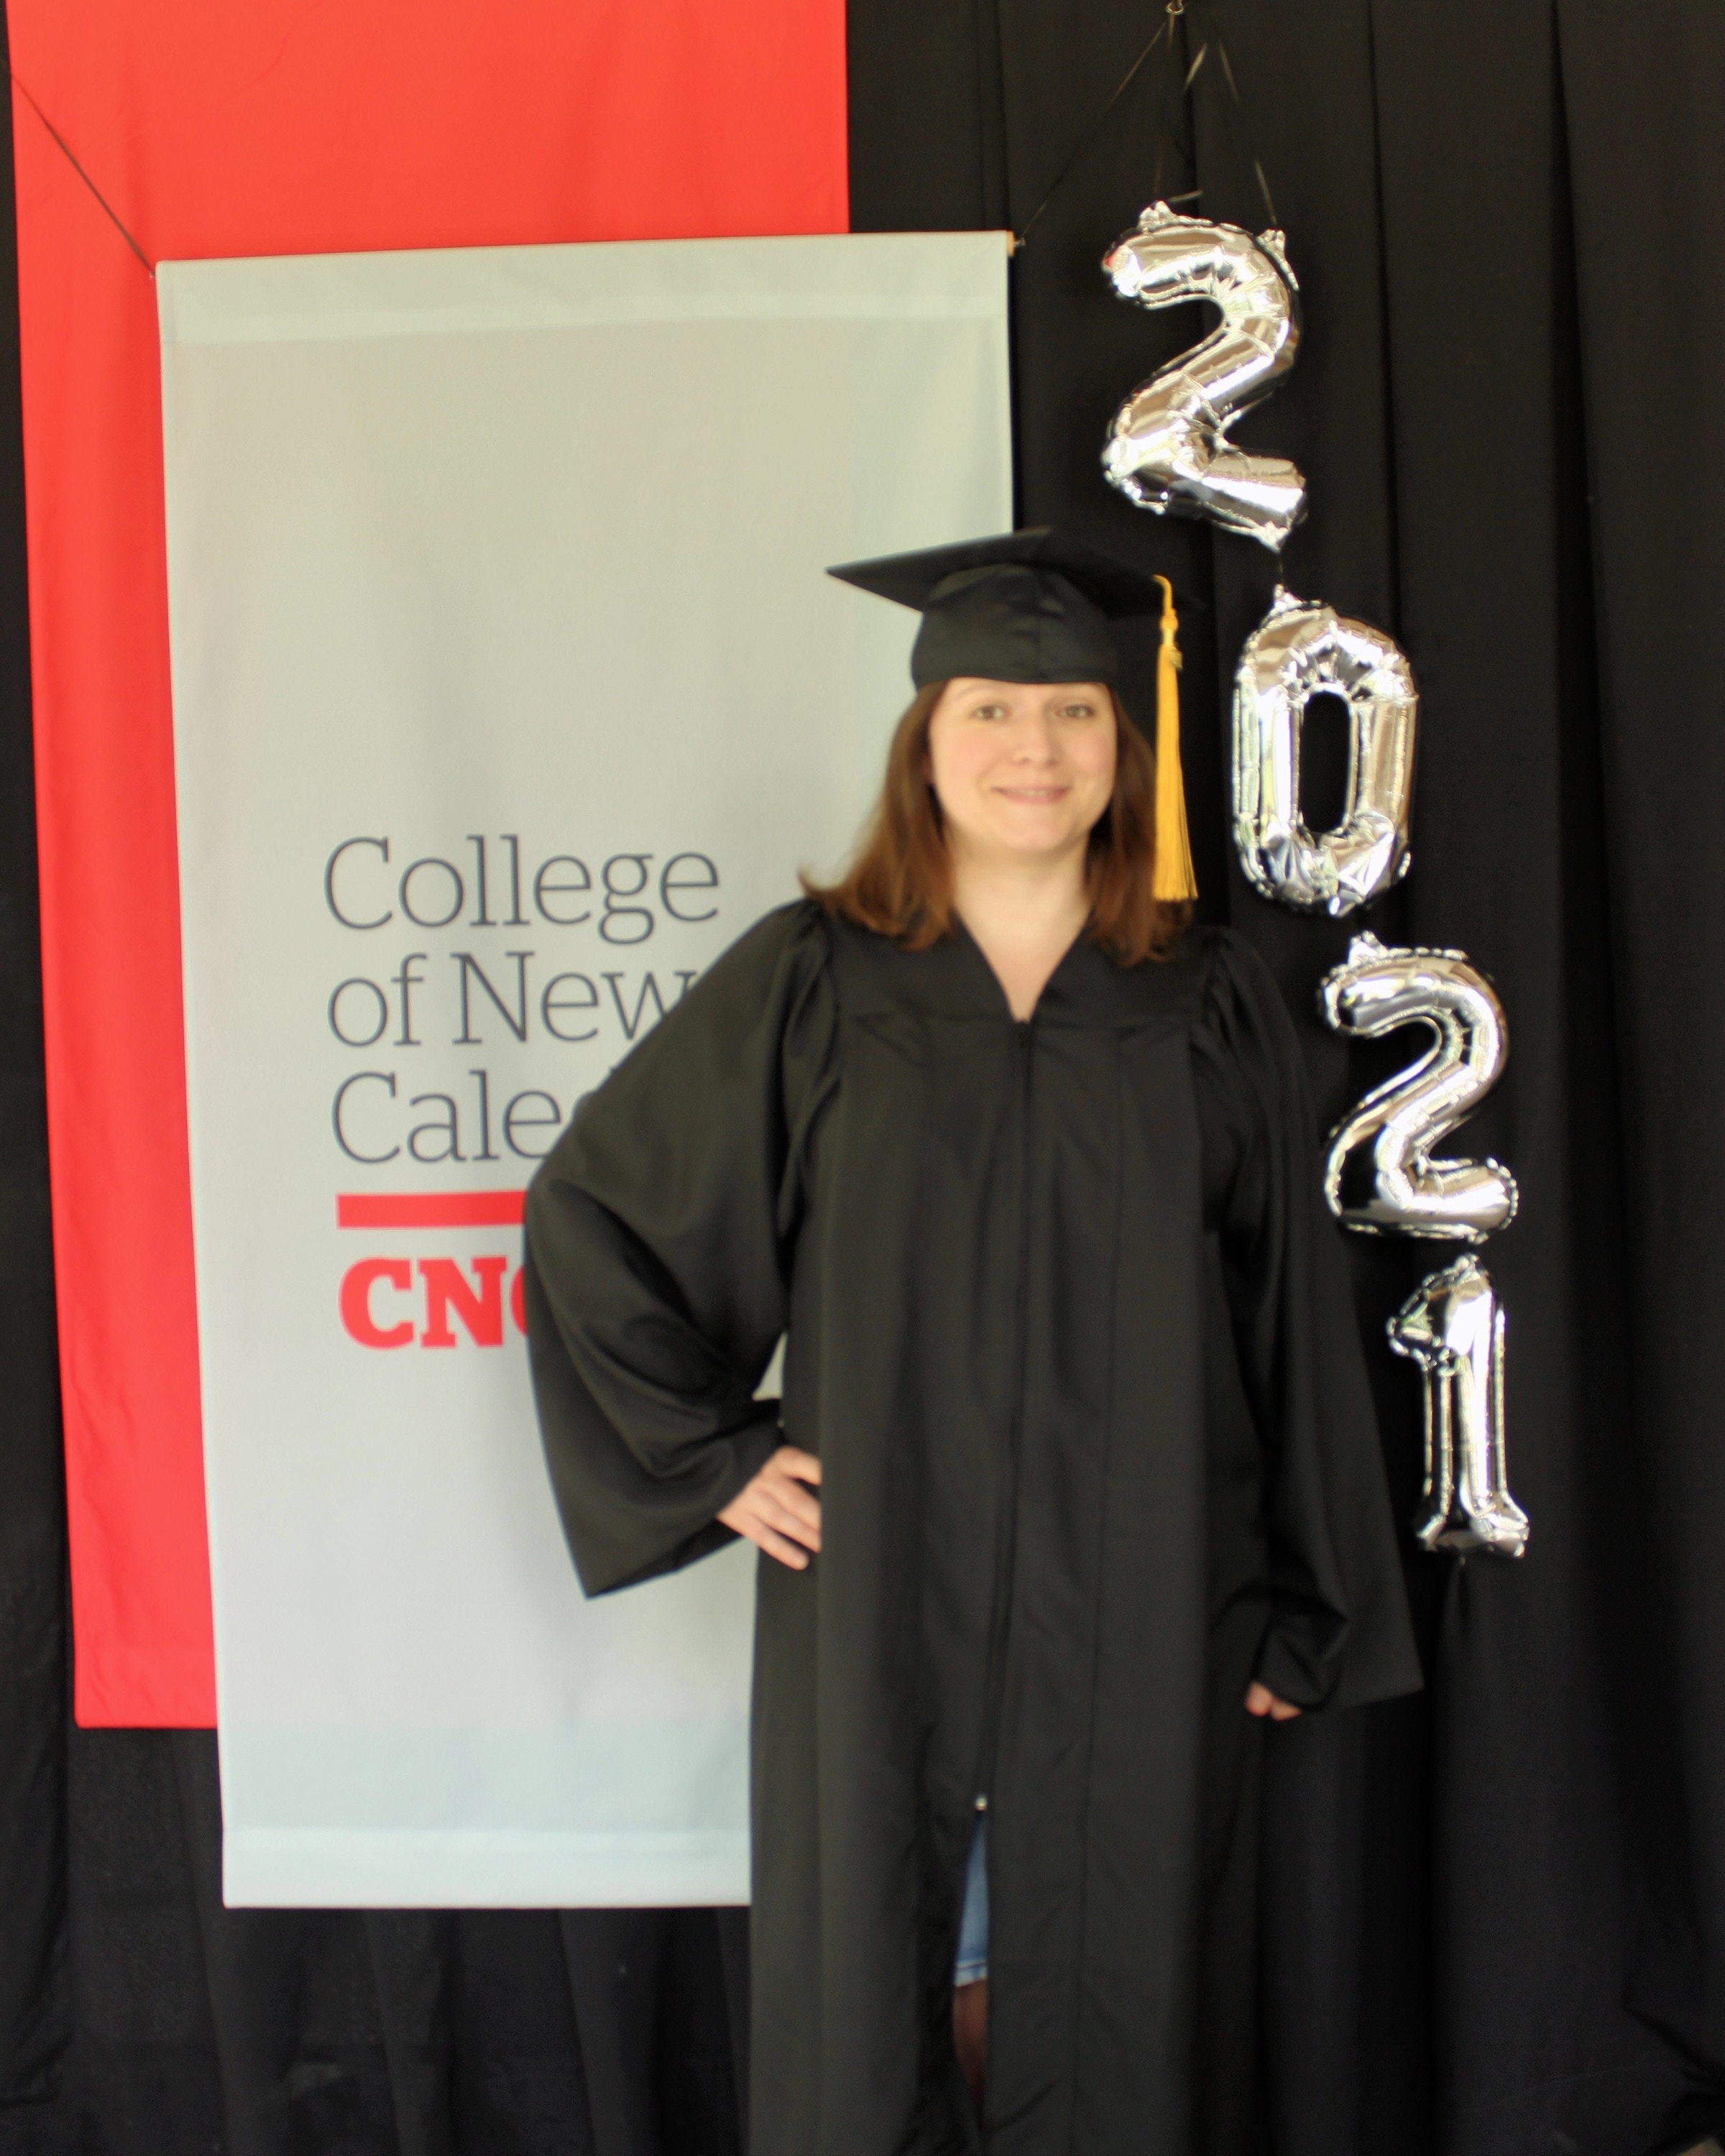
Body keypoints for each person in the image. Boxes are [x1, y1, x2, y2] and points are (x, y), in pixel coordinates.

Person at [522, 528, 1422, 2156]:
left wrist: (1313, 1601)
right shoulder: (817, 984)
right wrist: (710, 1457)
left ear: (1121, 747)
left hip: (1153, 1591)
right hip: (886, 1583)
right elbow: (595, 1214)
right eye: (990, 710)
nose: (1035, 748)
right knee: (884, 1981)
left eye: (1074, 711)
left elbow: (1286, 1310)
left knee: (1129, 1994)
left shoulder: (1204, 1001)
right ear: (924, 743)